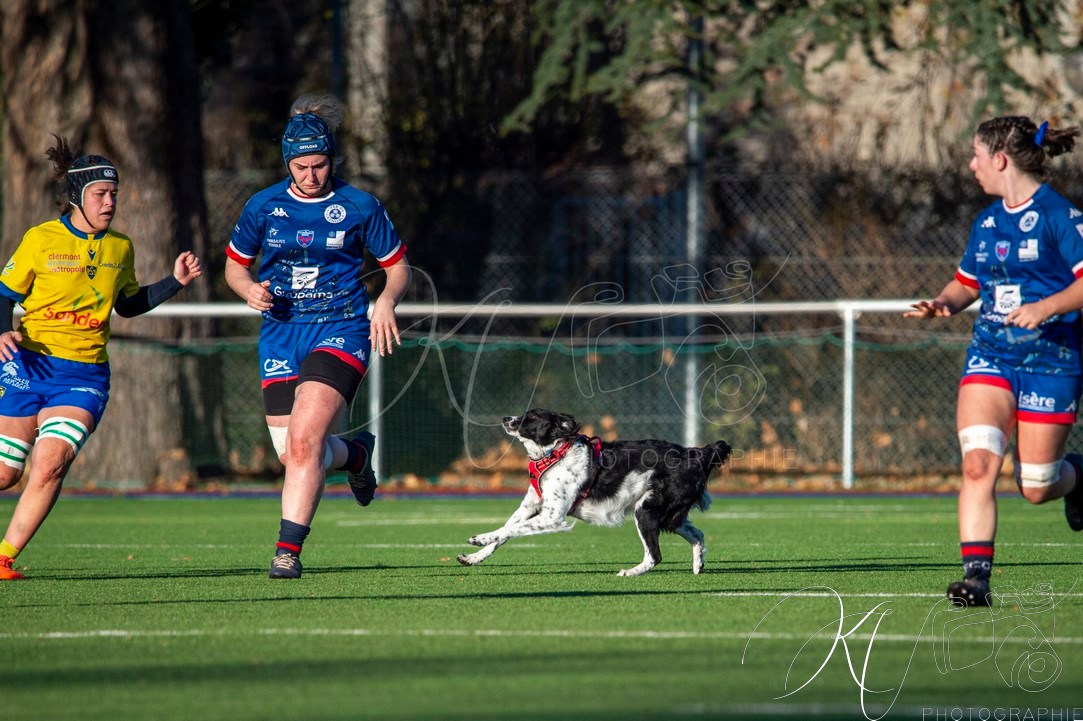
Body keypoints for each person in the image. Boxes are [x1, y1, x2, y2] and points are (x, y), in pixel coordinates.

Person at [225, 93, 411, 580]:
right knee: (293, 454)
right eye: (302, 167)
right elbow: (234, 266)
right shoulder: (263, 205)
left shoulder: (359, 205)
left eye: (320, 165)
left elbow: (397, 268)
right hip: (282, 334)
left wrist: (386, 301)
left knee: (306, 443)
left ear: (332, 160)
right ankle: (356, 454)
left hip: (342, 327)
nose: (311, 175)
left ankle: (288, 550)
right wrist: (248, 290)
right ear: (288, 164)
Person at [0, 136, 203, 581]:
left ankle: (3, 558)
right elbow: (4, 295)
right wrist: (2, 331)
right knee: (4, 474)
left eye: (114, 194)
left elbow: (128, 305)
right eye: (100, 194)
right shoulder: (41, 239)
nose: (109, 202)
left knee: (51, 464)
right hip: (29, 365)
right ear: (76, 196)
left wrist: (174, 281)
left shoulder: (121, 247)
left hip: (84, 375)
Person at [906, 116, 1083, 607]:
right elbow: (967, 282)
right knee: (979, 464)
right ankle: (976, 579)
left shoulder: (1059, 217)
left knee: (1036, 486)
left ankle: (1078, 477)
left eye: (977, 156)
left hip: (1052, 360)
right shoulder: (986, 222)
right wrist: (942, 303)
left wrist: (1045, 308)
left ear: (1000, 159)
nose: (972, 165)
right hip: (992, 356)